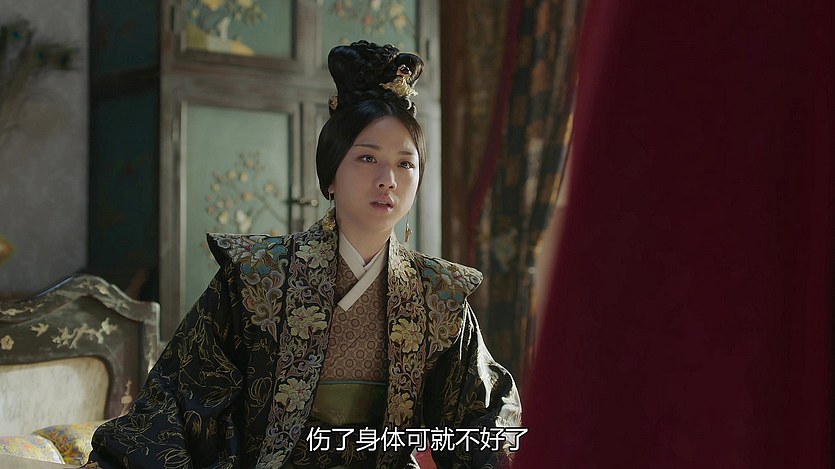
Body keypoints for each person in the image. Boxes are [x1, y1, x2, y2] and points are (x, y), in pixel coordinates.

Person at [87, 40, 521, 469]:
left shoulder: (439, 294)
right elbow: (179, 398)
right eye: (367, 158)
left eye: (405, 163)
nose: (388, 179)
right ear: (330, 175)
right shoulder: (257, 275)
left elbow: (481, 415)